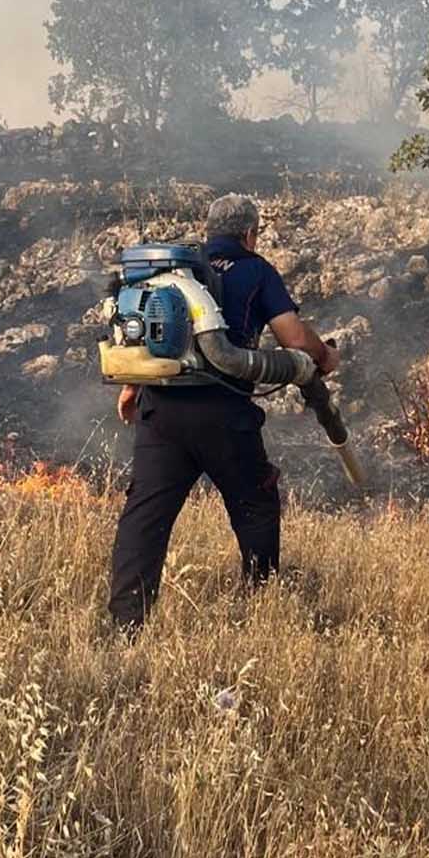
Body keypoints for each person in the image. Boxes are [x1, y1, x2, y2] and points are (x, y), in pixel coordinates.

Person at [107, 193, 338, 631]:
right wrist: (323, 355)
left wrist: (133, 386)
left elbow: (149, 333)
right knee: (256, 504)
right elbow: (293, 338)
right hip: (224, 412)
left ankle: (125, 625)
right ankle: (260, 607)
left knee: (145, 517)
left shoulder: (173, 271)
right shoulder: (256, 270)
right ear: (250, 234)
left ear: (209, 230)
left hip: (162, 410)